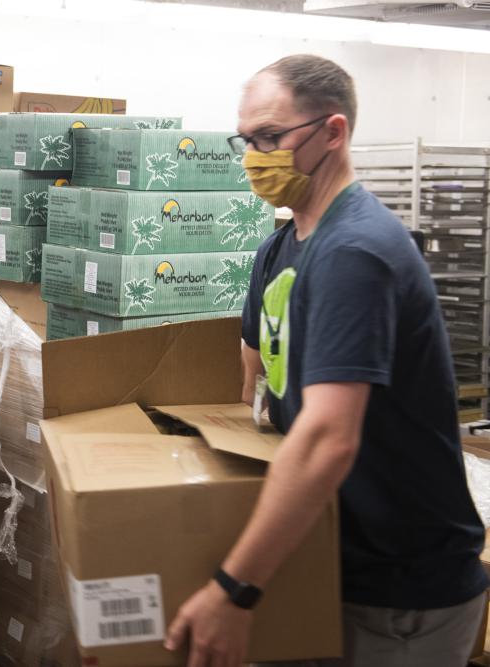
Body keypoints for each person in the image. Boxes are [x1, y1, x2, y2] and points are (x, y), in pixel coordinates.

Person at [165, 54, 488, 667]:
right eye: (247, 139)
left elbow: (325, 440)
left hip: (400, 596)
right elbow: (258, 392)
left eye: (270, 137)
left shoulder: (355, 251)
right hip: (328, 563)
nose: (254, 156)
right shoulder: (283, 248)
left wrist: (234, 588)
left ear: (333, 133)